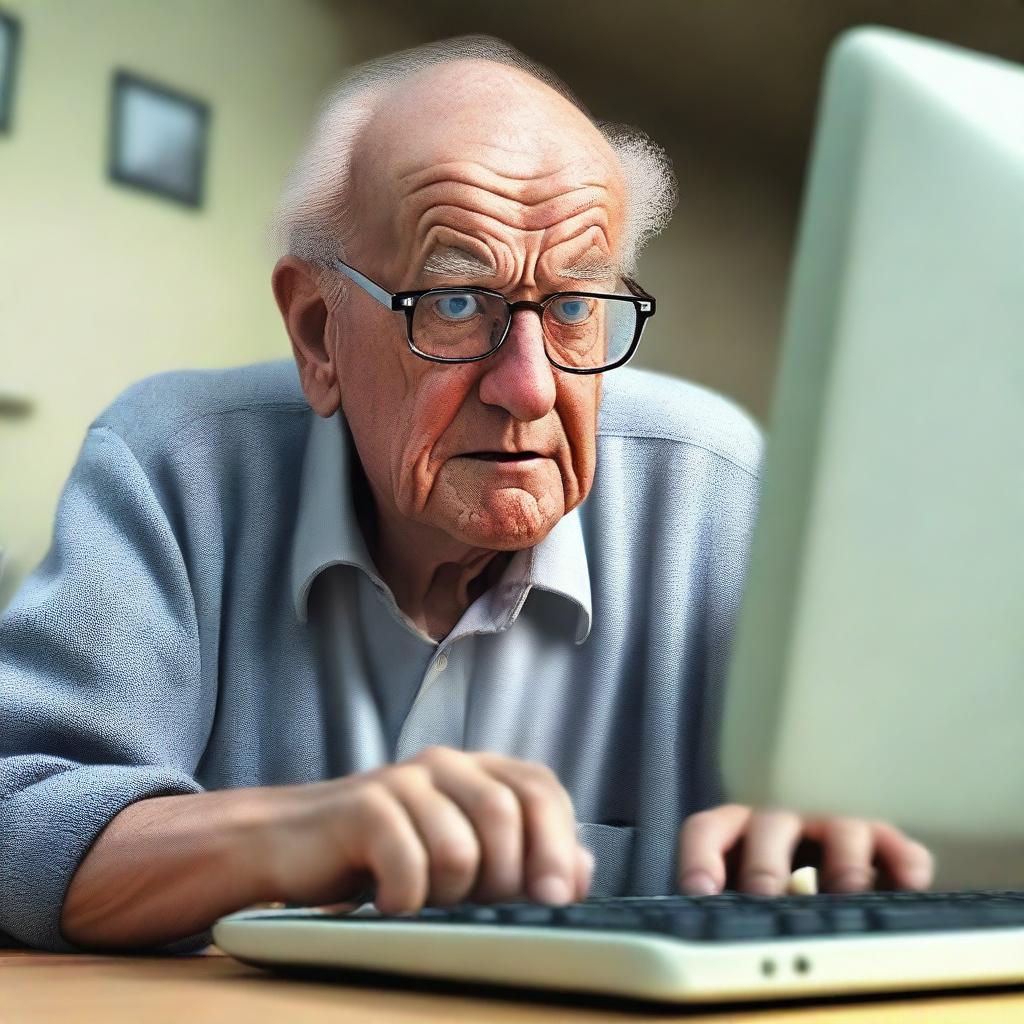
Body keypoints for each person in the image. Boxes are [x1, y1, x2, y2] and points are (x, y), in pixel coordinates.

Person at [0, 35, 932, 955]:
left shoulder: (717, 496)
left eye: (573, 307)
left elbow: (867, 816)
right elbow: (18, 823)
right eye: (454, 303)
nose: (528, 387)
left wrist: (835, 841)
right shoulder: (176, 464)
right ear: (319, 332)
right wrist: (305, 831)